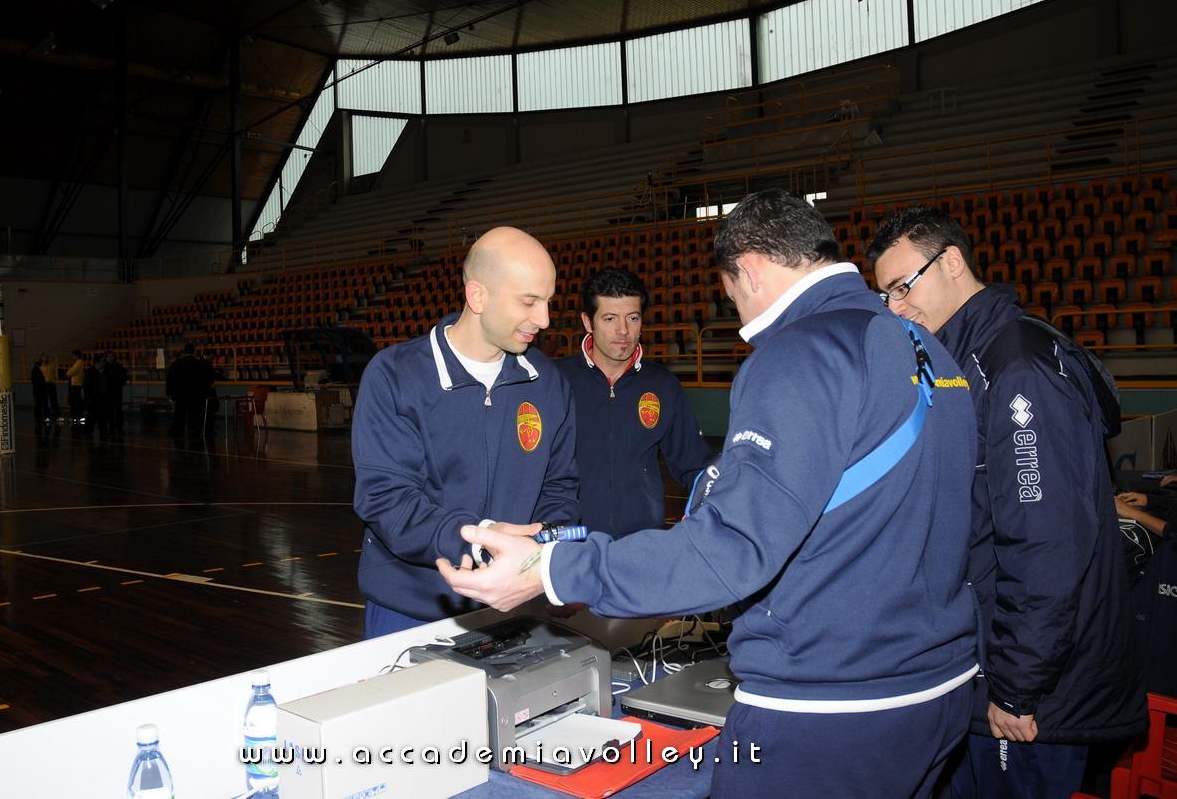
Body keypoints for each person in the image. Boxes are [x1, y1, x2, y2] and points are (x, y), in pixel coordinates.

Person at [439, 191, 980, 796]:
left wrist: (554, 567)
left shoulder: (800, 352)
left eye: (731, 294)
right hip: (940, 684)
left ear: (746, 269)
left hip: (830, 704)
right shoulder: (927, 348)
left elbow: (733, 547)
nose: (739, 315)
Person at [866, 205, 1147, 797]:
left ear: (953, 263)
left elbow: (1047, 545)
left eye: (900, 287)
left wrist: (1017, 684)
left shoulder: (1015, 367)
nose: (894, 308)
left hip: (1030, 698)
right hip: (992, 671)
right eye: (884, 295)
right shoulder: (962, 363)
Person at [353, 226, 578, 639]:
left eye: (548, 302)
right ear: (478, 296)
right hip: (411, 611)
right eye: (529, 302)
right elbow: (388, 501)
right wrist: (479, 541)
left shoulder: (548, 382)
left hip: (518, 609)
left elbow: (560, 487)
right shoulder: (394, 376)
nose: (544, 320)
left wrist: (539, 551)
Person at [556, 267, 713, 537]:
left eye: (632, 317)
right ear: (587, 322)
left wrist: (710, 507)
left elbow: (693, 463)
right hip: (570, 543)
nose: (623, 331)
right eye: (609, 318)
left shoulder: (663, 385)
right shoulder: (557, 381)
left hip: (641, 541)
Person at [165, 344, 206, 441]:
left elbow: (170, 379)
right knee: (194, 415)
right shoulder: (199, 364)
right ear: (193, 351)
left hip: (180, 395)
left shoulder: (176, 364)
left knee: (179, 414)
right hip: (195, 395)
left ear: (184, 351)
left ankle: (178, 433)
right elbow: (204, 380)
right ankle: (194, 433)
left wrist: (170, 394)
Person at [102, 352, 129, 438]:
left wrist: (124, 370)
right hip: (108, 393)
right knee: (109, 412)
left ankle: (119, 428)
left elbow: (124, 379)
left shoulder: (118, 366)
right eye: (108, 357)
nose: (110, 358)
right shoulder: (104, 367)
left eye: (112, 357)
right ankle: (112, 428)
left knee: (118, 411)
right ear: (106, 358)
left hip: (117, 392)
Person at [30, 352, 52, 428]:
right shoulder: (36, 371)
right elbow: (38, 382)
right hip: (40, 391)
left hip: (37, 391)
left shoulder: (35, 370)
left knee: (39, 405)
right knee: (40, 405)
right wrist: (44, 386)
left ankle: (40, 418)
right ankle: (40, 419)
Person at [65, 349, 85, 423]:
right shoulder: (78, 363)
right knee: (76, 402)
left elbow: (71, 372)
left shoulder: (78, 363)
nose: (72, 357)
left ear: (76, 356)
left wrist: (67, 374)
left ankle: (75, 417)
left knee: (75, 402)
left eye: (73, 355)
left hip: (76, 385)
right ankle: (77, 417)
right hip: (76, 384)